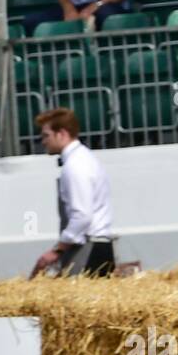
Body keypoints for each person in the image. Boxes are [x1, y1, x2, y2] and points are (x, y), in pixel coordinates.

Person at [31, 108, 116, 277]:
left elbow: (82, 215)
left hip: (88, 250)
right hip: (97, 246)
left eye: (46, 135)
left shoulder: (75, 166)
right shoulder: (85, 158)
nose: (43, 141)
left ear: (61, 134)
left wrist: (57, 250)